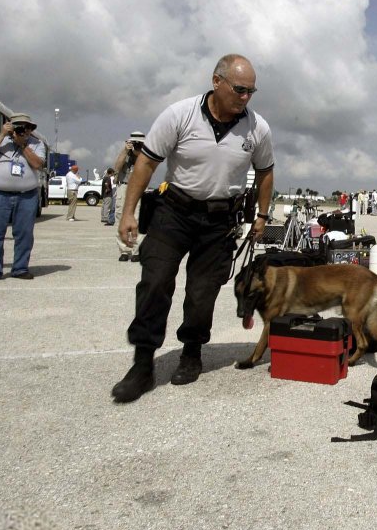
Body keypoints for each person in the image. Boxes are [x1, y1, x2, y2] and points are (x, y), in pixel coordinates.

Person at [111, 53, 274, 404]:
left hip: (219, 221)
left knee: (203, 292)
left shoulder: (257, 128)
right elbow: (147, 162)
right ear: (217, 81)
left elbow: (265, 171)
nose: (245, 97)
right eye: (240, 89)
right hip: (175, 212)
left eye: (251, 91)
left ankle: (191, 351)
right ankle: (142, 363)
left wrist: (261, 215)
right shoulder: (179, 114)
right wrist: (128, 212)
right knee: (154, 282)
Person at [0, 113, 46, 282]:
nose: (24, 130)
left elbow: (38, 164)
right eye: (19, 127)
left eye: (28, 127)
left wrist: (22, 145)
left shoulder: (36, 144)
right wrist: (2, 135)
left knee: (24, 234)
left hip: (27, 195)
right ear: (10, 126)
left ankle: (20, 268)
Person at [113, 131, 146, 261]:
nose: (136, 145)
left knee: (138, 218)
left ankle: (136, 250)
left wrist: (139, 151)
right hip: (124, 185)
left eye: (139, 143)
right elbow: (117, 167)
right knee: (120, 217)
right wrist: (125, 151)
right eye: (134, 143)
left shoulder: (146, 153)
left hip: (138, 186)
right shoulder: (125, 154)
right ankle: (124, 250)